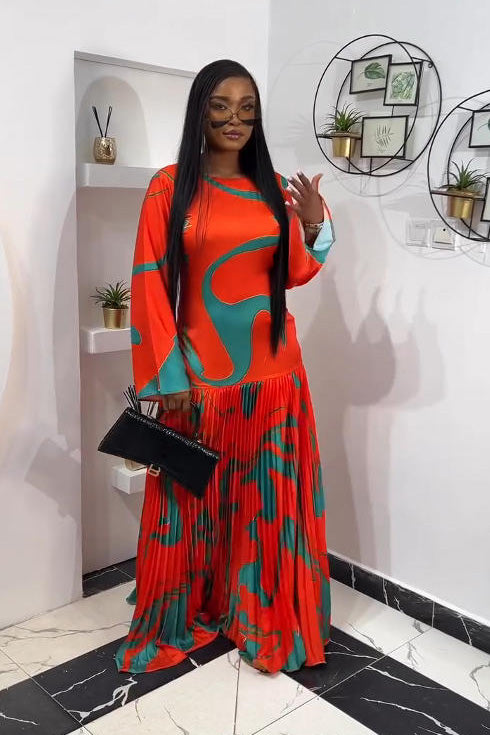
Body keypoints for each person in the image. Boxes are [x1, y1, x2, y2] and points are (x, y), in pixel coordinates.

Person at [116, 59, 335, 675]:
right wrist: (168, 378)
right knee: (191, 504)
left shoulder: (271, 188)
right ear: (200, 112)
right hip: (201, 382)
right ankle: (191, 607)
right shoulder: (168, 188)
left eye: (247, 108)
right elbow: (150, 284)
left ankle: (261, 611)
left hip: (276, 380)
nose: (235, 119)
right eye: (220, 105)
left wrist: (313, 222)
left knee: (266, 507)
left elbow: (294, 272)